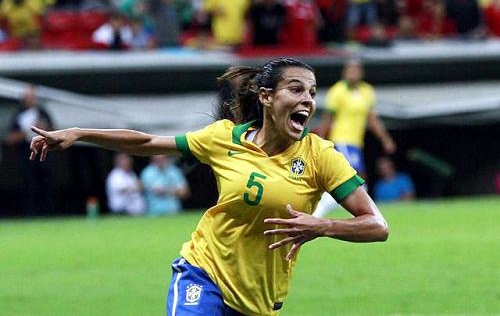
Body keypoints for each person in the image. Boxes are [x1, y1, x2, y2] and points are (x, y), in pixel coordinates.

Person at [29, 58, 388, 316]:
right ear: (265, 97)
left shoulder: (321, 156)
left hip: (259, 300)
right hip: (203, 272)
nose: (308, 99)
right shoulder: (223, 138)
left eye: (311, 92)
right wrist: (79, 134)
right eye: (295, 89)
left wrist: (323, 226)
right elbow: (147, 143)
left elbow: (377, 225)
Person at [313, 59, 396, 217]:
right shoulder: (337, 91)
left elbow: (372, 118)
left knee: (357, 177)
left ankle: (357, 211)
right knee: (354, 175)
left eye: (356, 70)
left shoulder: (367, 91)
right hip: (342, 140)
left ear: (361, 73)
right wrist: (321, 141)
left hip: (356, 142)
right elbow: (327, 118)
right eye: (350, 70)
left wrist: (385, 139)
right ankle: (331, 208)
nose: (352, 73)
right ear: (344, 72)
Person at [7, 85, 55, 216]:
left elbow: (55, 133)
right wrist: (27, 131)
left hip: (44, 155)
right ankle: (30, 214)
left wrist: (44, 129)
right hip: (26, 156)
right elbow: (10, 138)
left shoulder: (43, 113)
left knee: (47, 184)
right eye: (28, 97)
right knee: (28, 186)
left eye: (32, 97)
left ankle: (49, 214)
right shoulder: (18, 115)